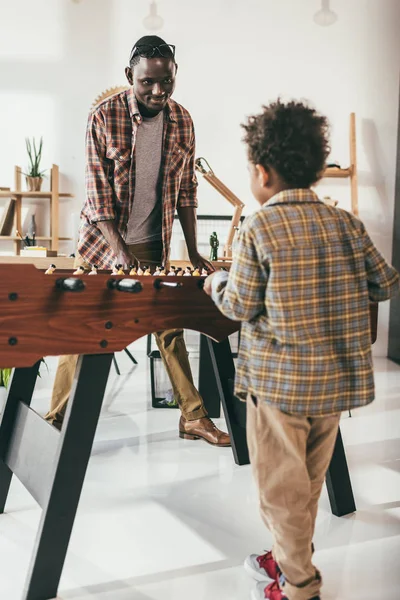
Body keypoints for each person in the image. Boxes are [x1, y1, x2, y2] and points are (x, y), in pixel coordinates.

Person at [204, 99, 399, 600]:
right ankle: (291, 557)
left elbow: (240, 306)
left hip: (279, 389)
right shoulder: (347, 224)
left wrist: (217, 282)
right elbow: (385, 284)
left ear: (263, 172)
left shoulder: (259, 228)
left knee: (278, 490)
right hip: (332, 387)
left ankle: (298, 585)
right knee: (307, 485)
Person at [45, 35, 230, 448]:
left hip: (150, 243)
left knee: (169, 328)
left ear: (175, 75)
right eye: (147, 82)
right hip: (99, 246)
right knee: (82, 331)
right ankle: (55, 420)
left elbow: (185, 191)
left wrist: (195, 249)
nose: (158, 91)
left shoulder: (182, 121)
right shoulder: (103, 117)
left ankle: (194, 418)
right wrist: (120, 253)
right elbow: (97, 196)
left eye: (166, 82)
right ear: (130, 76)